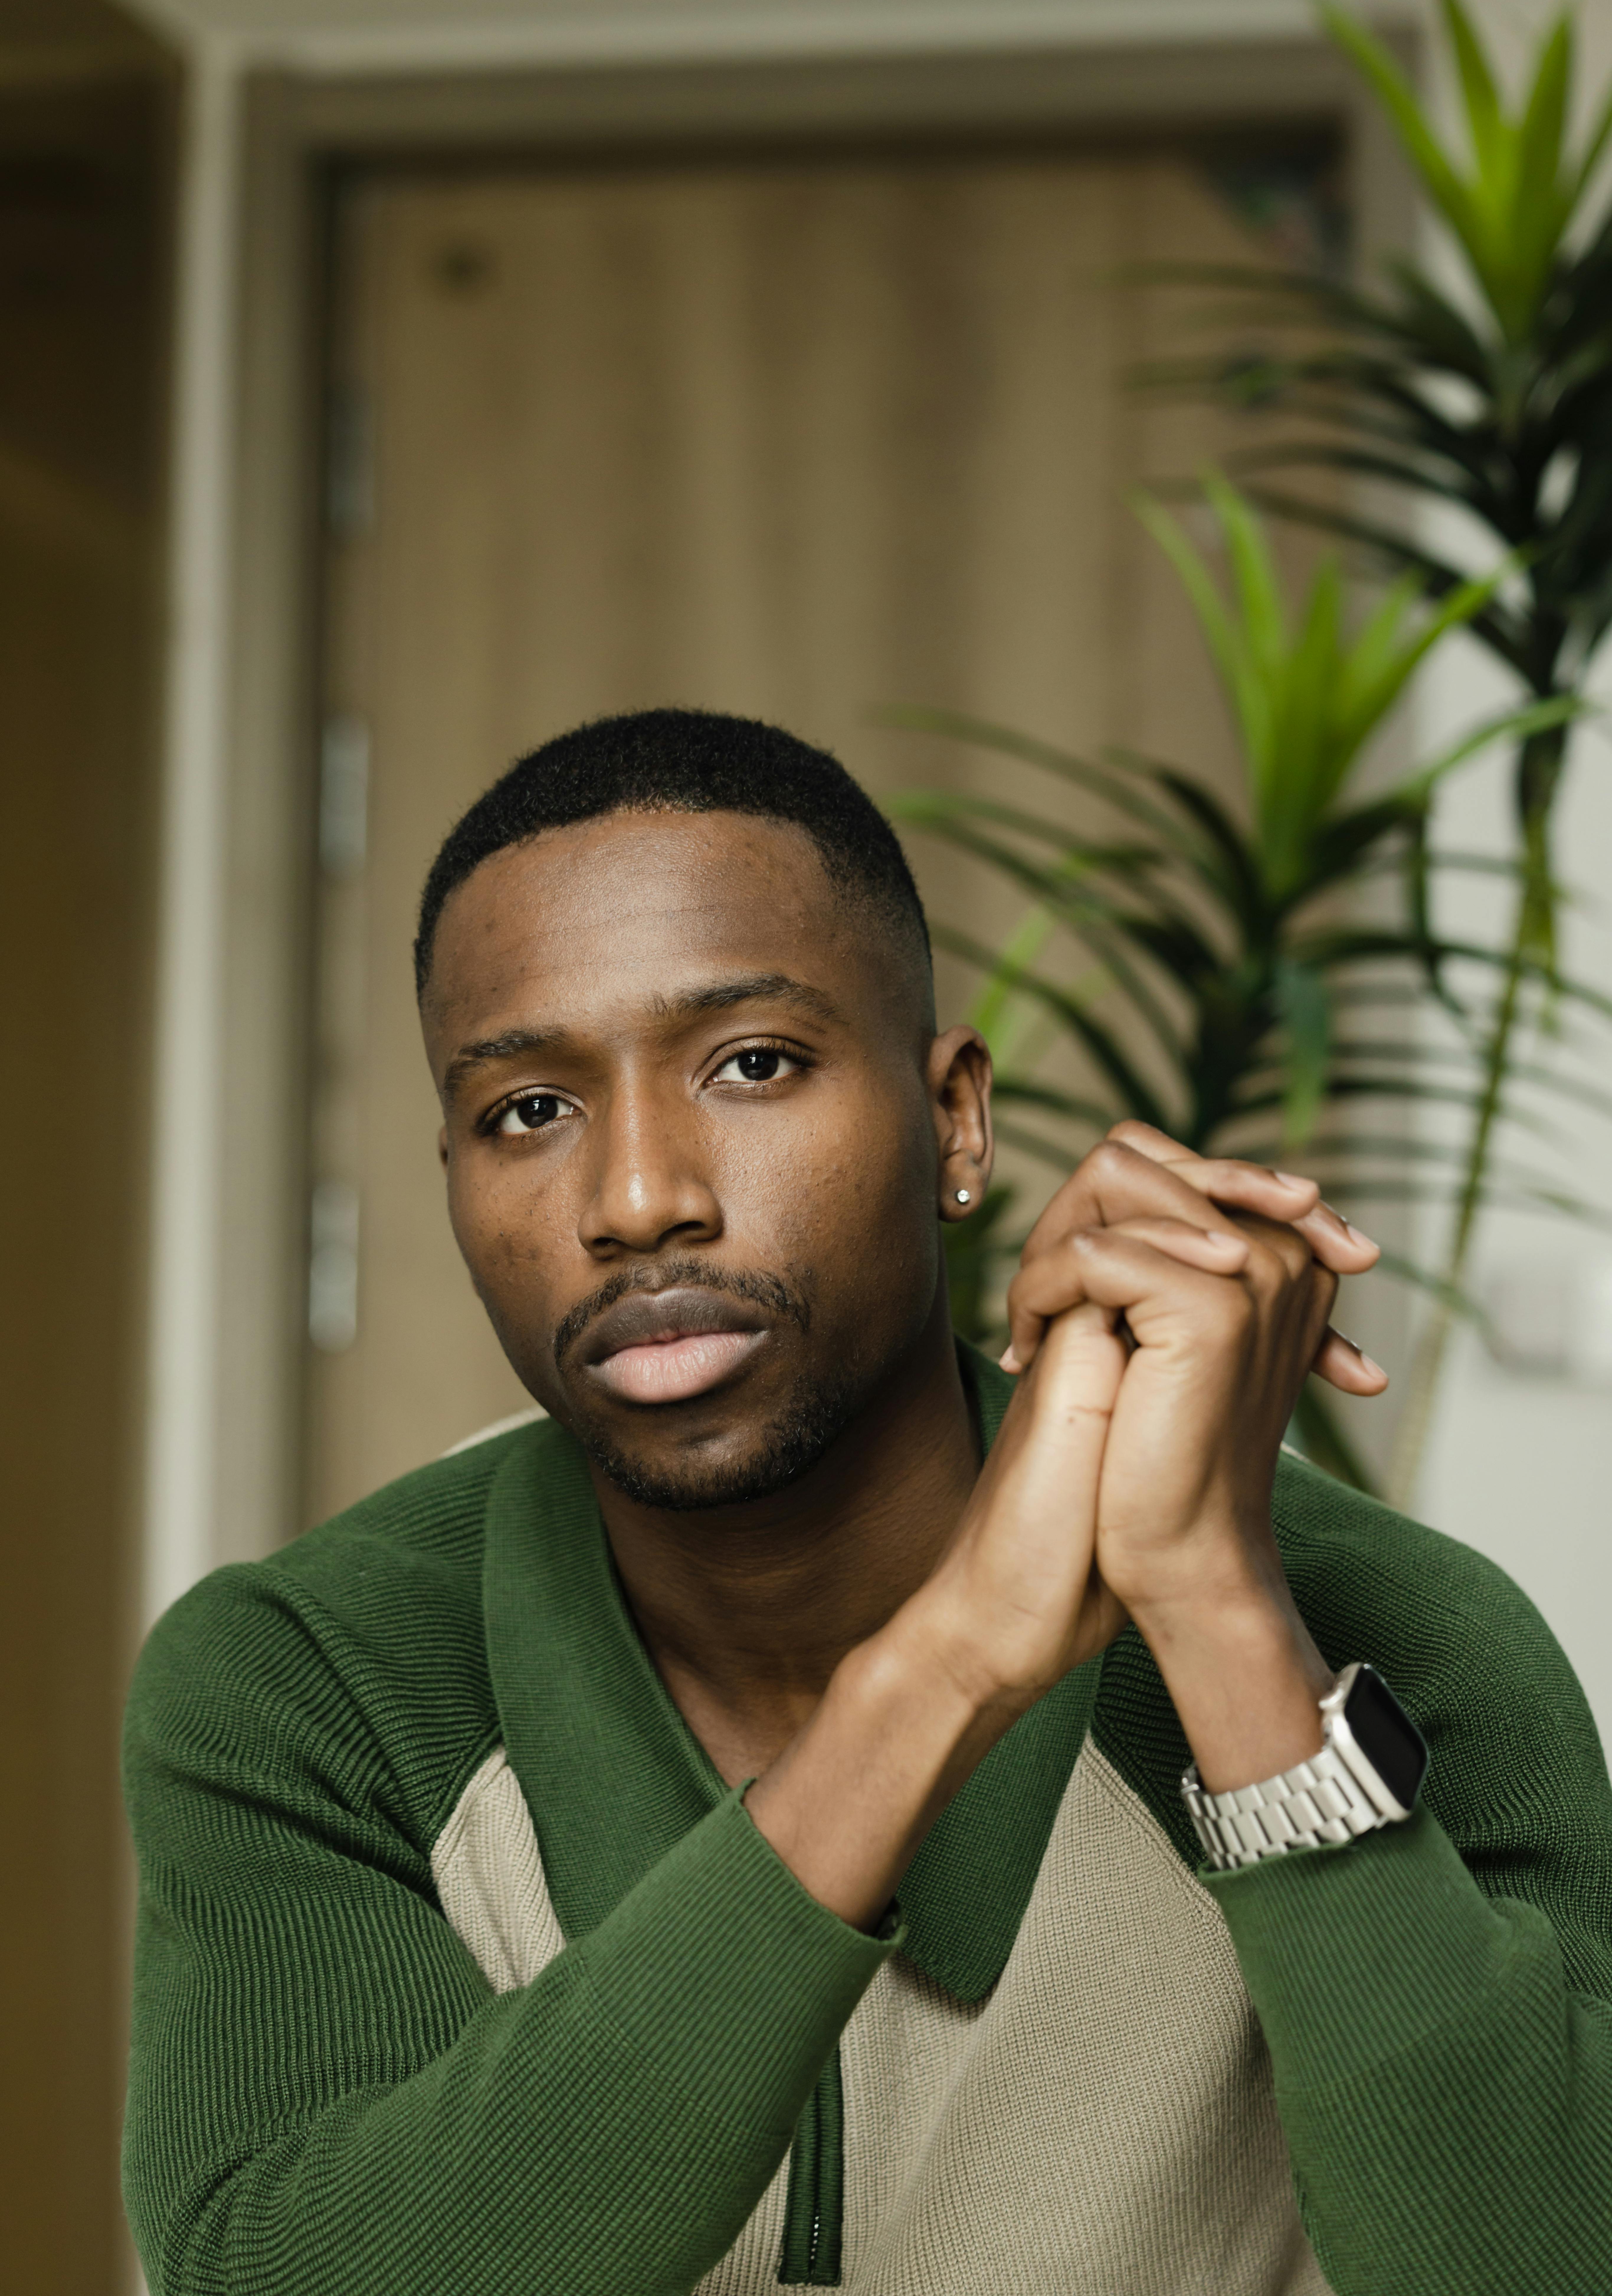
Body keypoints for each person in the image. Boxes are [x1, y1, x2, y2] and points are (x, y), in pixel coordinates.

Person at [124, 711, 1612, 2296]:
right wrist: (948, 1665)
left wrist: (1221, 1614)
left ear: (954, 1118)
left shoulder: (1403, 1633)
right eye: (527, 1111)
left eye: (752, 1064)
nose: (637, 1200)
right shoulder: (313, 1680)